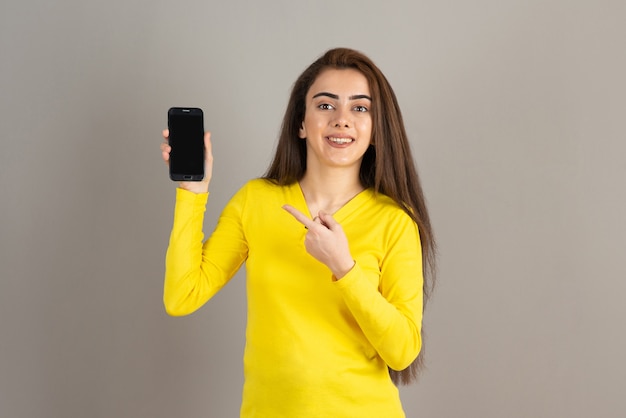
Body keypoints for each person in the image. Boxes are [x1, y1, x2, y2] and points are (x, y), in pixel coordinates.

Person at [160, 47, 436, 417]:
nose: (342, 119)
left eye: (360, 108)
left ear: (375, 129)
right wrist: (193, 194)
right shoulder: (255, 201)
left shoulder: (395, 221)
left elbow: (402, 351)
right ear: (301, 124)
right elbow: (182, 296)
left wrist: (344, 267)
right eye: (325, 106)